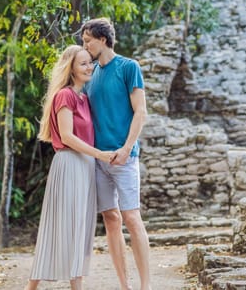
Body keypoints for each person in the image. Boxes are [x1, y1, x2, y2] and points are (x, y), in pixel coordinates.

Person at [25, 45, 115, 290]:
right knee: (61, 226)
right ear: (71, 69)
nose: (89, 67)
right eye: (83, 63)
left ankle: (75, 286)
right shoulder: (64, 95)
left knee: (80, 227)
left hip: (85, 166)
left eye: (90, 62)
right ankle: (31, 286)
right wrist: (100, 155)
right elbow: (66, 136)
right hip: (69, 163)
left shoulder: (84, 98)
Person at [81, 18, 151, 290]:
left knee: (132, 217)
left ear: (103, 39)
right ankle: (125, 285)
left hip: (125, 157)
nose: (85, 46)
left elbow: (141, 112)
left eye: (88, 40)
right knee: (111, 219)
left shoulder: (128, 67)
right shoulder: (89, 75)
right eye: (84, 41)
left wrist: (126, 148)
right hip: (99, 160)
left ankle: (145, 286)